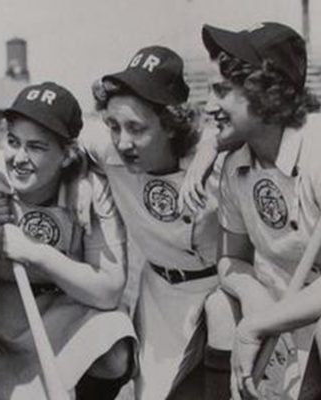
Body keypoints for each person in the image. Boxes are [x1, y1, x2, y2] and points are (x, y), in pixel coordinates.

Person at [0, 81, 137, 400]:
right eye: (13, 141)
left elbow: (109, 289)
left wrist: (37, 253)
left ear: (66, 155)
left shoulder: (89, 189)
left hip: (63, 316)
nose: (19, 157)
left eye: (36, 147)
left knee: (114, 347)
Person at [181, 22, 320, 399]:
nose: (209, 106)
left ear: (267, 92)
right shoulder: (236, 163)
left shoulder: (317, 151)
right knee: (221, 306)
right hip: (281, 307)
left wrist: (260, 324)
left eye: (222, 91)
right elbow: (231, 260)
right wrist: (254, 301)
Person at [82, 45, 226, 399]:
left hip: (219, 291)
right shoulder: (108, 149)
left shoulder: (212, 164)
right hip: (160, 294)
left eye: (137, 128)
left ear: (171, 125)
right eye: (114, 125)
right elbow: (54, 145)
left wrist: (210, 146)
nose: (123, 141)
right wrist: (80, 180)